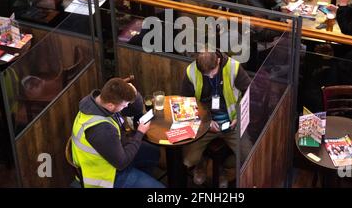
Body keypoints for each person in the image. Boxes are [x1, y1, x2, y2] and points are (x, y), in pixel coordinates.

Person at [71, 77, 164, 188]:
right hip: (106, 176)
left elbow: (135, 110)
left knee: (153, 153)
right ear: (111, 105)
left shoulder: (98, 101)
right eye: (124, 105)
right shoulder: (101, 129)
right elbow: (122, 163)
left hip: (114, 152)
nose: (126, 107)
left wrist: (134, 93)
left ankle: (141, 177)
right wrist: (140, 132)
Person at [181, 50, 251, 187]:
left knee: (248, 156)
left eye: (212, 72)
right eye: (205, 74)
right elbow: (185, 102)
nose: (210, 76)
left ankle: (220, 168)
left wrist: (240, 116)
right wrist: (205, 122)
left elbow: (250, 93)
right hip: (204, 124)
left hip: (232, 123)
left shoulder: (233, 67)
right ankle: (202, 161)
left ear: (218, 61)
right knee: (188, 160)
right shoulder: (191, 71)